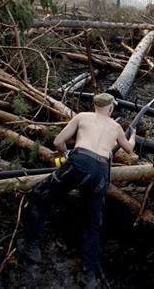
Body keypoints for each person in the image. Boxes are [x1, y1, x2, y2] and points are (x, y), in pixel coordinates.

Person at [18, 93, 136, 288]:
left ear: (94, 106)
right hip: (101, 172)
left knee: (40, 194)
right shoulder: (116, 127)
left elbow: (58, 142)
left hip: (80, 162)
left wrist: (66, 155)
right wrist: (132, 136)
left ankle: (32, 248)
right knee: (92, 223)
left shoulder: (82, 116)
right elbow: (129, 150)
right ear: (111, 109)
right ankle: (88, 276)